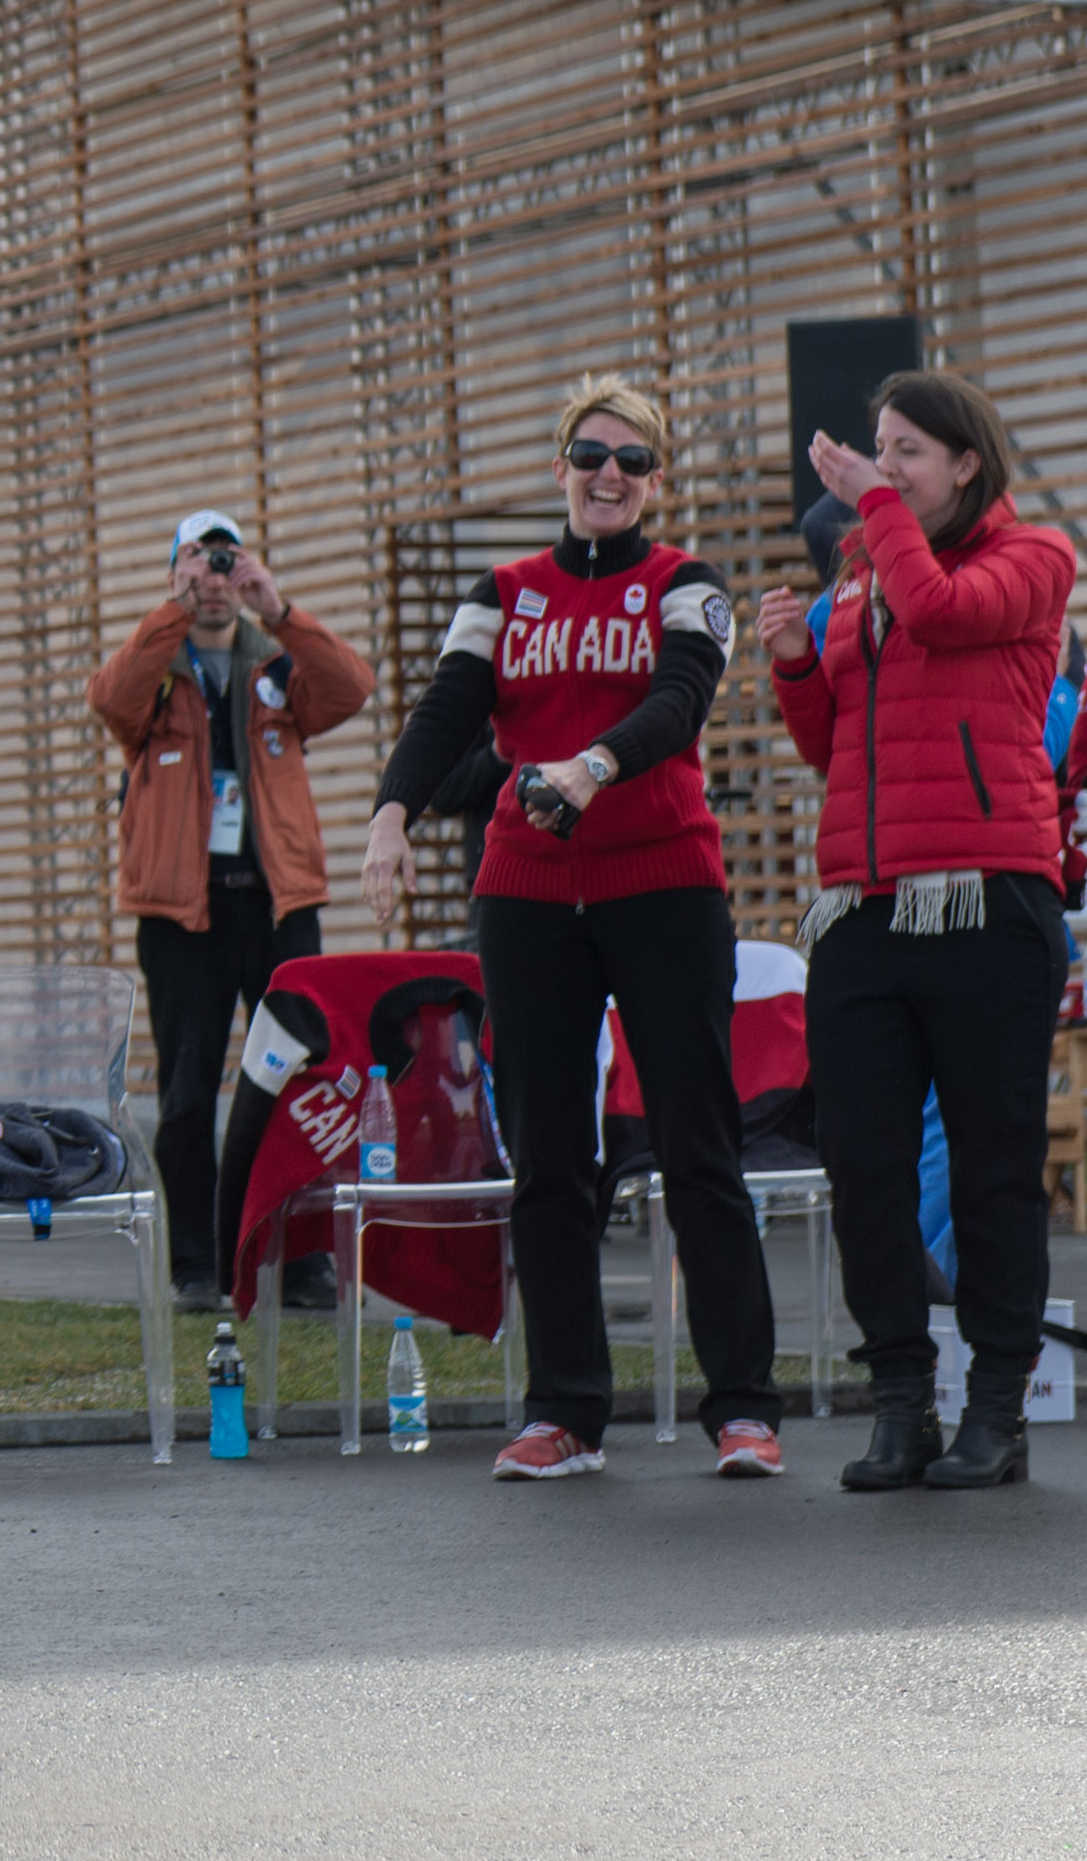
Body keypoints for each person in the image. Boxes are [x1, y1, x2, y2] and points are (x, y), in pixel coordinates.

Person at [362, 374, 784, 1484]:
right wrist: (390, 818)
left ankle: (743, 1406)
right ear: (560, 470)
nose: (611, 475)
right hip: (530, 894)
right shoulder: (503, 591)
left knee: (699, 1146)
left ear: (656, 483)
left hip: (664, 885)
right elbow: (447, 710)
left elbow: (680, 701)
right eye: (592, 456)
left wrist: (594, 766)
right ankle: (565, 1414)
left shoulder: (684, 583)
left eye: (633, 462)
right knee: (550, 1155)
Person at [760, 371, 1078, 1490]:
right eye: (876, 451)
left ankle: (997, 1410)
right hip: (863, 908)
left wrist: (873, 513)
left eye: (905, 452)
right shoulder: (860, 580)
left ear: (966, 466)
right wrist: (797, 666)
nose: (880, 468)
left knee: (992, 1172)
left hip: (989, 902)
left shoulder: (1031, 559)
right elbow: (831, 745)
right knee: (866, 1169)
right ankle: (901, 1400)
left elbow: (944, 611)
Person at [88, 508, 372, 1310]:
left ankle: (305, 1260)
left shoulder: (275, 668)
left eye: (225, 562)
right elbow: (110, 699)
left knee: (302, 1082)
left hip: (280, 908)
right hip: (183, 916)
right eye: (197, 563)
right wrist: (174, 608)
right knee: (187, 1091)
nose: (215, 578)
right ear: (175, 572)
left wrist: (276, 607)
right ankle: (198, 1265)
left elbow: (351, 688)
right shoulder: (160, 672)